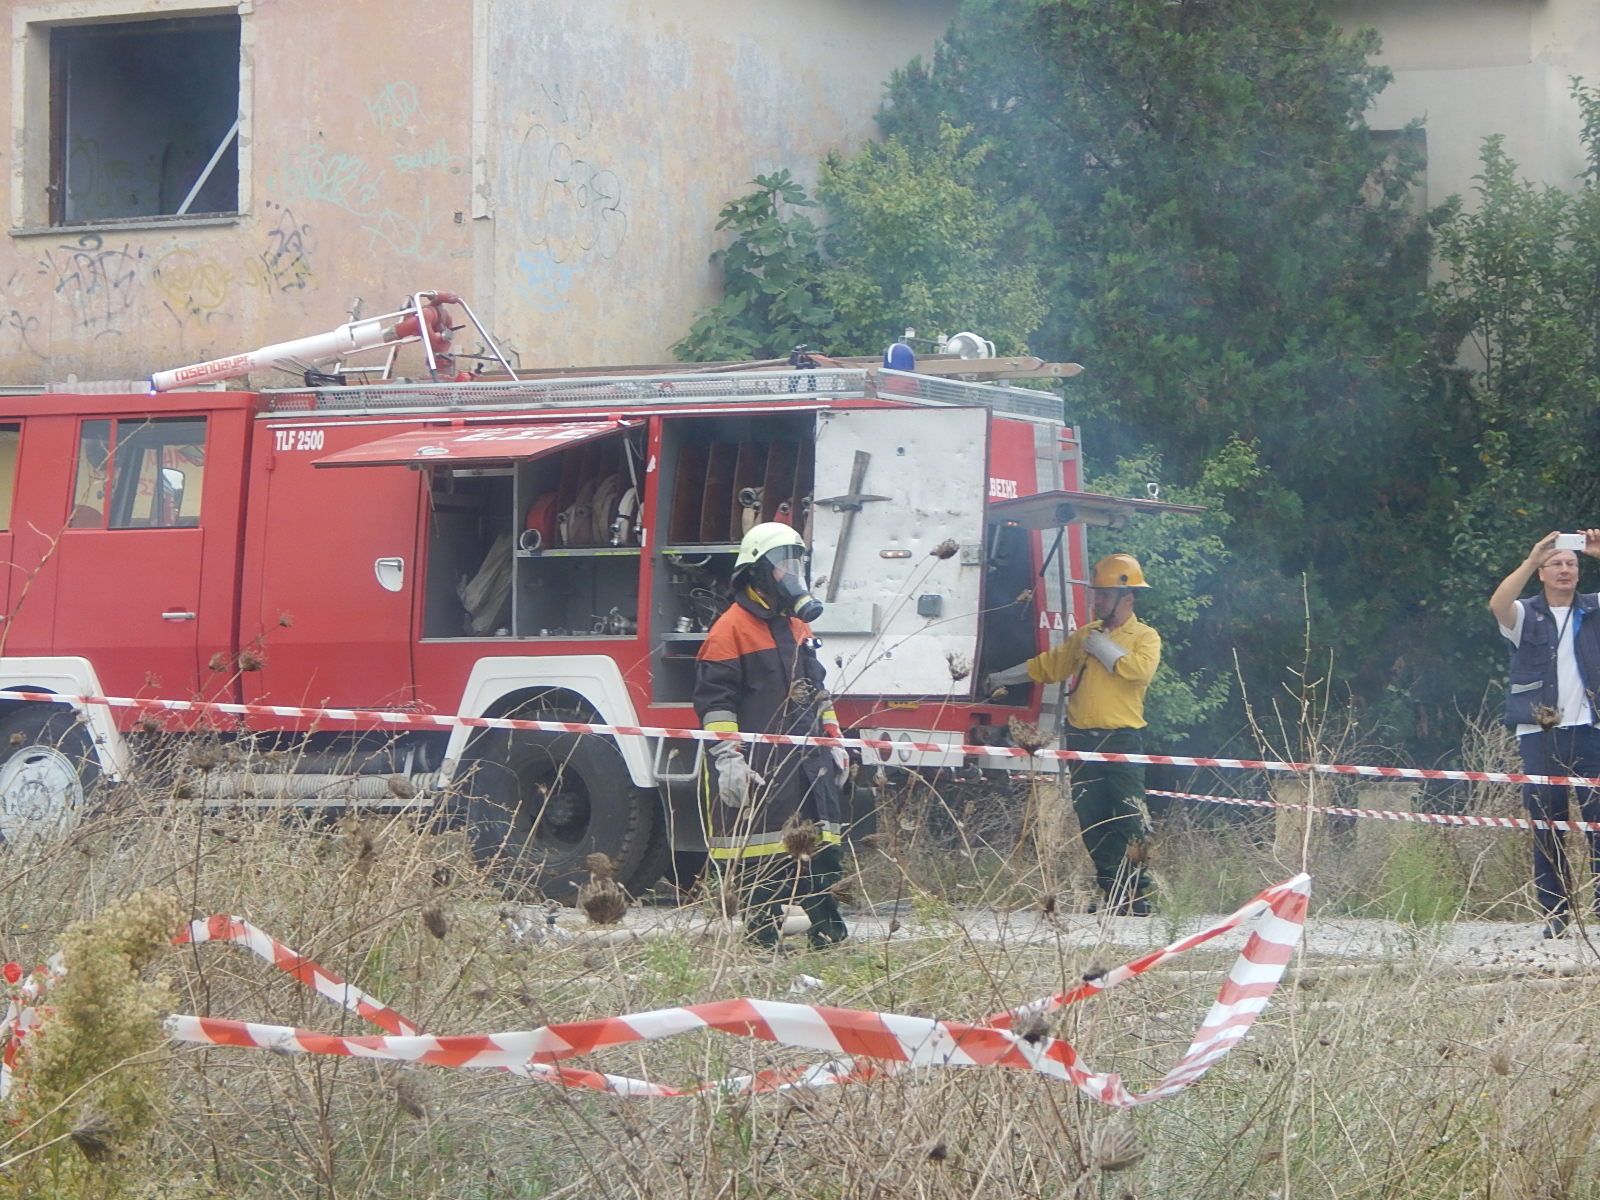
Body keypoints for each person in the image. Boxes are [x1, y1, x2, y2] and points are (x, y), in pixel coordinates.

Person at [694, 522, 850, 950]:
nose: (791, 572)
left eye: (796, 562)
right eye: (782, 563)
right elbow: (715, 702)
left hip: (808, 766)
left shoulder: (798, 626)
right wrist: (729, 757)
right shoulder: (729, 629)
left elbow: (817, 690)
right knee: (763, 862)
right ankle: (760, 942)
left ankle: (828, 935)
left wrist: (834, 739)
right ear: (757, 570)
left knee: (821, 855)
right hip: (761, 768)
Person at [983, 552, 1162, 914]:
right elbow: (1049, 666)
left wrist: (1103, 647)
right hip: (1081, 739)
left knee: (1129, 817)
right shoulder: (1085, 635)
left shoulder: (1145, 636)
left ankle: (1136, 894)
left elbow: (1139, 672)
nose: (1096, 600)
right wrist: (1000, 678)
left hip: (1122, 739)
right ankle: (1114, 894)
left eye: (1104, 595)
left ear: (1127, 598)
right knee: (1091, 820)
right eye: (1096, 593)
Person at [1489, 530, 1600, 938]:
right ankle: (1555, 913)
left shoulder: (1594, 608)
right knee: (1547, 823)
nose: (1565, 569)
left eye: (1572, 563)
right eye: (1556, 564)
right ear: (1542, 572)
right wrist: (1532, 557)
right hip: (1539, 733)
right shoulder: (1526, 614)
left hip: (1591, 730)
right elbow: (1498, 604)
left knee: (1598, 821)